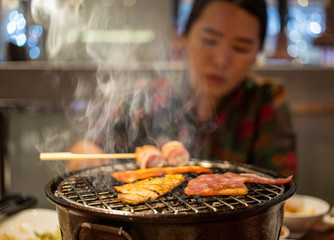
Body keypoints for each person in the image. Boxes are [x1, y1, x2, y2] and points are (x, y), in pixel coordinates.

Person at [69, 0, 297, 177]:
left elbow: (281, 189)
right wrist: (84, 151)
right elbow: (90, 145)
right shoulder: (149, 95)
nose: (221, 60)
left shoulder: (265, 103)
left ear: (256, 56)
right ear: (184, 37)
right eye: (209, 40)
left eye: (240, 48)